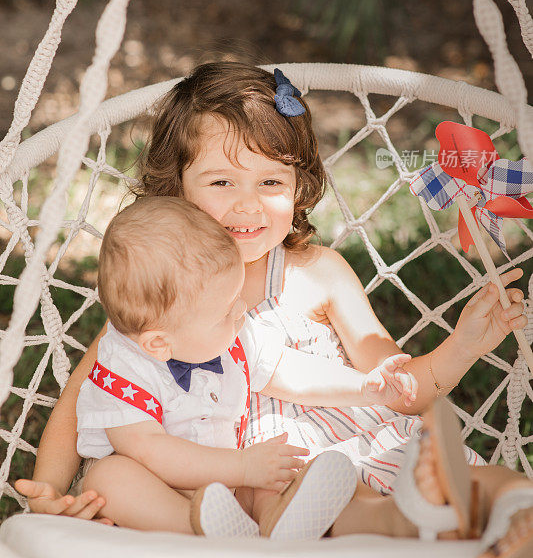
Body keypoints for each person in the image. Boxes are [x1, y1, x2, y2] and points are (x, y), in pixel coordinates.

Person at [16, 63, 533, 555]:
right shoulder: (159, 301)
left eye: (271, 182)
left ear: (298, 187)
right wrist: (48, 493)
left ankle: (517, 512)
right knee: (339, 502)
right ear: (176, 189)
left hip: (358, 435)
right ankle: (420, 522)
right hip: (273, 474)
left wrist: (464, 345)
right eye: (222, 182)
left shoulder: (320, 274)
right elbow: (80, 402)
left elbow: (399, 386)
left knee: (464, 479)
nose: (249, 205)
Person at [74, 194, 417, 537]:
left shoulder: (232, 333)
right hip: (165, 494)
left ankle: (274, 526)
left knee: (273, 471)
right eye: (225, 311)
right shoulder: (121, 371)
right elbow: (151, 452)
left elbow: (289, 370)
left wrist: (363, 386)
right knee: (108, 479)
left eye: (236, 297)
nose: (241, 310)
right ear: (159, 344)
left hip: (230, 485)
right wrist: (241, 467)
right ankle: (206, 532)